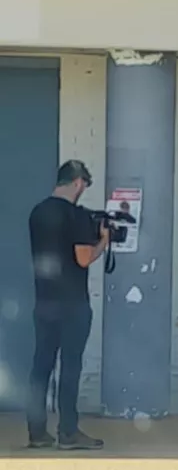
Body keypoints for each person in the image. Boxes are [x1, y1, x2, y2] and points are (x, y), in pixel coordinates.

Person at [26, 160, 109, 450]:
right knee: (70, 367)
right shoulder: (76, 216)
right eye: (84, 186)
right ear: (77, 182)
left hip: (44, 301)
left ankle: (37, 433)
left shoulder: (38, 212)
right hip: (72, 303)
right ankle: (68, 432)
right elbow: (83, 258)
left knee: (41, 366)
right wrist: (103, 241)